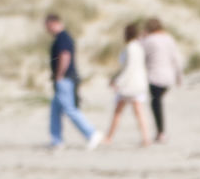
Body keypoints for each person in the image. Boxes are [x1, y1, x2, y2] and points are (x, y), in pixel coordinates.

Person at [44, 14, 102, 149]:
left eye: (47, 26)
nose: (46, 30)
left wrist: (59, 75)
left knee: (70, 109)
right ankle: (56, 140)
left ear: (53, 23)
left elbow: (65, 56)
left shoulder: (63, 37)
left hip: (65, 79)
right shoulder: (61, 37)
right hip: (64, 79)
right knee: (55, 110)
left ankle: (91, 133)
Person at [103, 23, 153, 146]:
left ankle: (109, 137)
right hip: (138, 82)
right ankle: (146, 138)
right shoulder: (139, 47)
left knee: (118, 111)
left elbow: (128, 68)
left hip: (129, 85)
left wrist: (117, 81)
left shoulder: (130, 48)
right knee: (138, 111)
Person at [141, 18, 183, 143]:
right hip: (168, 76)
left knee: (156, 103)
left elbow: (141, 55)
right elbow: (176, 58)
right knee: (158, 102)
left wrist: (142, 38)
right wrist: (179, 75)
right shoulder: (169, 39)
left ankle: (161, 132)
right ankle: (161, 132)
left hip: (154, 76)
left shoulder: (148, 40)